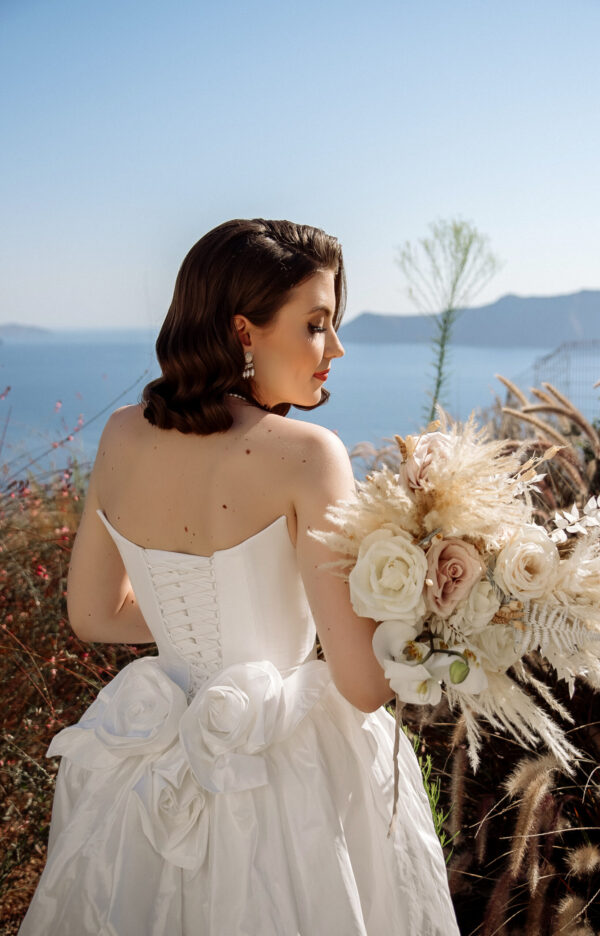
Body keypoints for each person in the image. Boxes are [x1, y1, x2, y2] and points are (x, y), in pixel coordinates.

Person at [19, 219, 460, 935]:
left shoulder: (122, 434)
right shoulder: (309, 455)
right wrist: (437, 610)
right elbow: (362, 686)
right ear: (243, 331)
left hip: (149, 762)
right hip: (288, 777)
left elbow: (93, 615)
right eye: (316, 324)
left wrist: (198, 624)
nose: (335, 349)